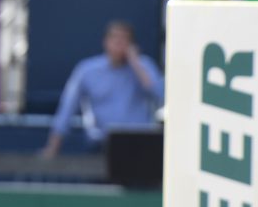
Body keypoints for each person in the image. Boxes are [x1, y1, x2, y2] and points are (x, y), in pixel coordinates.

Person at [41, 20, 165, 158]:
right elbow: (67, 109)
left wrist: (135, 63)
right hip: (101, 145)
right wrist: (52, 148)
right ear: (105, 41)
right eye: (115, 38)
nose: (119, 43)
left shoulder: (144, 66)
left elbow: (160, 95)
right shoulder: (86, 70)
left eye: (124, 39)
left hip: (139, 145)